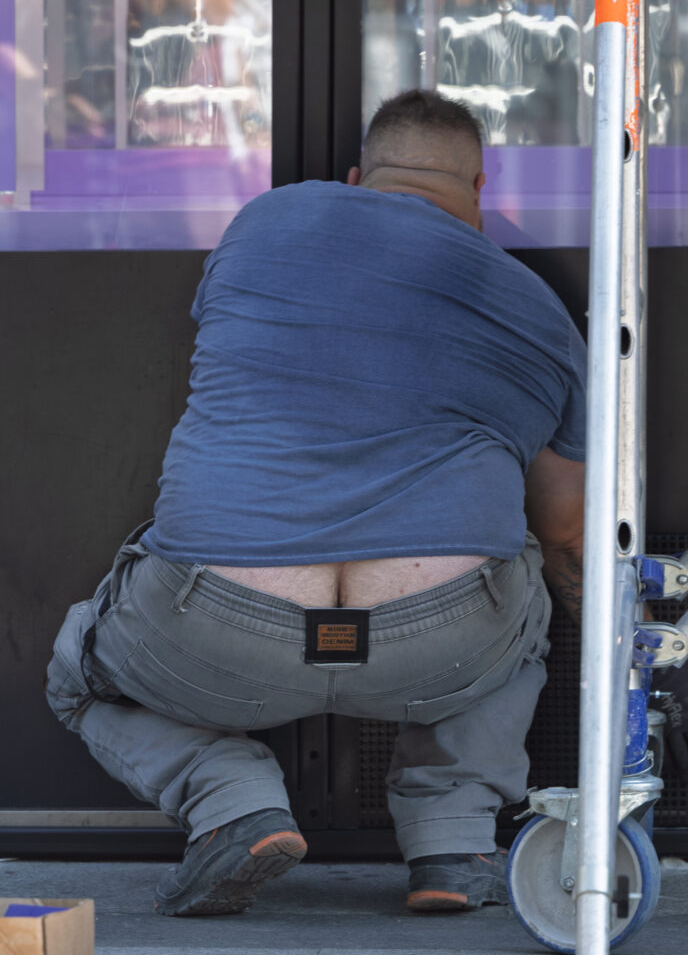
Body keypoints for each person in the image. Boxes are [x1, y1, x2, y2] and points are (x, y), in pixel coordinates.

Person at [45, 89, 586, 918]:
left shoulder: (269, 222)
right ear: (481, 187)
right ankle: (452, 843)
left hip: (216, 625)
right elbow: (567, 529)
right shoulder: (540, 311)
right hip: (438, 640)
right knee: (523, 607)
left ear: (357, 177)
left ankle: (231, 803)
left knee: (78, 669)